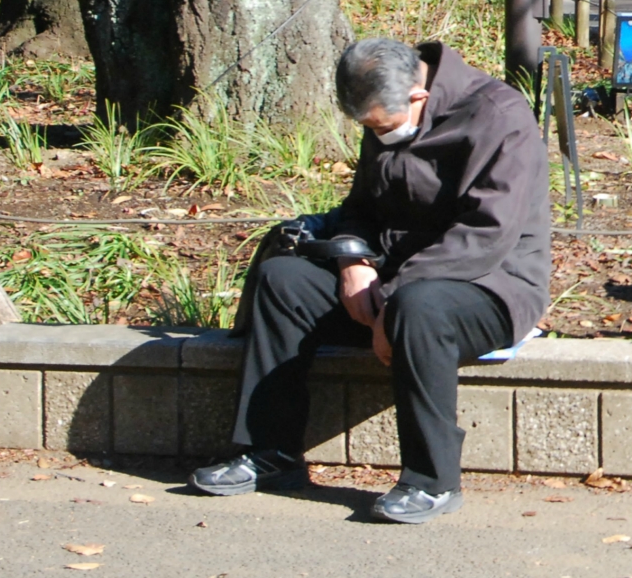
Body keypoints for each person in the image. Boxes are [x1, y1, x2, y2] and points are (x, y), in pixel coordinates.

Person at [192, 38, 550, 523]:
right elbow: (359, 210)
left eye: (381, 126)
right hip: (392, 280)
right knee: (283, 279)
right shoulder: (385, 112)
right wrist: (352, 260)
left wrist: (391, 296)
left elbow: (486, 235)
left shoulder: (499, 114)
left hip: (490, 284)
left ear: (418, 98)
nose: (377, 136)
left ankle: (431, 481)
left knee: (418, 308)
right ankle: (271, 454)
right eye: (368, 128)